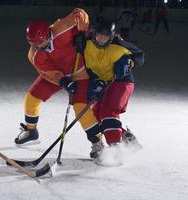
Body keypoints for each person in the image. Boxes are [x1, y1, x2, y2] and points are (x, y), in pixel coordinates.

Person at [15, 8, 105, 161]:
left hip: (81, 72)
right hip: (61, 75)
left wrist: (82, 33)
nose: (37, 47)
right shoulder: (34, 55)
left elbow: (80, 13)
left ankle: (98, 143)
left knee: (80, 108)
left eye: (40, 44)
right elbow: (48, 73)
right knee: (32, 97)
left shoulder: (62, 28)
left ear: (47, 34)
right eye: (34, 45)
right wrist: (63, 81)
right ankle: (31, 131)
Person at [74, 18, 144, 165]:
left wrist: (128, 63)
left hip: (122, 81)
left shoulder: (118, 44)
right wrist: (96, 80)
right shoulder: (85, 43)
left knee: (108, 111)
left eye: (106, 36)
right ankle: (127, 139)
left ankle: (116, 149)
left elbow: (140, 56)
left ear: (111, 36)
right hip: (106, 83)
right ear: (94, 32)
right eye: (99, 34)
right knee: (96, 114)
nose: (101, 39)